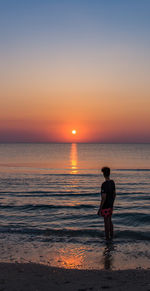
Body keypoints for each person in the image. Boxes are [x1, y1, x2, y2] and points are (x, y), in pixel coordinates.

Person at [97, 167, 116, 240]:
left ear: (104, 174)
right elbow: (114, 194)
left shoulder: (104, 184)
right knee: (110, 220)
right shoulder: (112, 182)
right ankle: (112, 235)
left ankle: (107, 238)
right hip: (111, 204)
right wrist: (112, 203)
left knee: (106, 222)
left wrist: (100, 208)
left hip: (105, 206)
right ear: (109, 173)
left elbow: (103, 198)